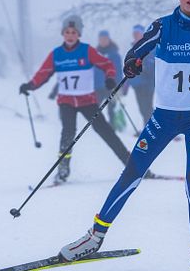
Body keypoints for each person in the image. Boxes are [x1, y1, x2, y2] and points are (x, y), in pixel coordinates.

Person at [58, 0, 190, 271]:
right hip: (165, 117)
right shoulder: (164, 26)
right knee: (132, 173)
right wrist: (132, 63)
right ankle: (95, 236)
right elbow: (134, 53)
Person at [18, 15, 133, 184]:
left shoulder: (87, 51)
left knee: (106, 131)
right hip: (66, 102)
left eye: (73, 32)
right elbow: (43, 73)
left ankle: (131, 165)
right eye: (67, 32)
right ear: (63, 34)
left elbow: (107, 65)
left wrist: (110, 77)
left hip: (88, 101)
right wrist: (30, 85)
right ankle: (63, 169)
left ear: (79, 34)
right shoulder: (56, 54)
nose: (70, 35)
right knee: (67, 134)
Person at [123, 24, 155, 122]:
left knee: (147, 108)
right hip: (137, 84)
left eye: (138, 33)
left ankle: (152, 129)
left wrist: (143, 68)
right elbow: (128, 67)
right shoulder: (132, 49)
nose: (135, 35)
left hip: (148, 84)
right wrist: (126, 85)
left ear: (142, 34)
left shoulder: (149, 47)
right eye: (134, 34)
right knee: (142, 108)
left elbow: (153, 64)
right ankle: (148, 128)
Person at [93, 30, 124, 131]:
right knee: (95, 107)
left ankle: (112, 126)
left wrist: (118, 85)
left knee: (111, 107)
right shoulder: (94, 53)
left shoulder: (114, 54)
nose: (103, 41)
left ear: (108, 39)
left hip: (111, 85)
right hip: (98, 86)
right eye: (101, 39)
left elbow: (119, 70)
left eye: (105, 39)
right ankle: (98, 126)